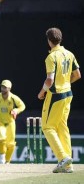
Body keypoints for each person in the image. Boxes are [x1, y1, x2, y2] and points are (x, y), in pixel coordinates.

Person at [37, 27, 81, 173]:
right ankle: (68, 165)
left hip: (55, 96)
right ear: (60, 39)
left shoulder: (51, 57)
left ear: (49, 41)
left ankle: (63, 158)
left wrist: (42, 92)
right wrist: (65, 82)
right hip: (68, 94)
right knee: (62, 127)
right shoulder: (69, 54)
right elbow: (77, 75)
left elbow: (49, 80)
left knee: (47, 127)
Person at [0, 80, 25, 164]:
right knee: (1, 139)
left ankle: (7, 161)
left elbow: (22, 106)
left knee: (11, 144)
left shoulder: (13, 98)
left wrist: (16, 110)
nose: (3, 89)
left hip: (10, 122)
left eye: (5, 87)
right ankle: (2, 157)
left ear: (9, 88)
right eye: (2, 87)